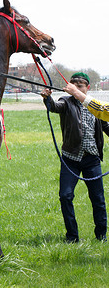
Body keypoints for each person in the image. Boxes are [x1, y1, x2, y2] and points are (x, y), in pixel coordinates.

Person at [41, 72, 109, 243]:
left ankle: (101, 236)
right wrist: (47, 99)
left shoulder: (95, 107)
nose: (76, 89)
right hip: (70, 159)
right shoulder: (66, 102)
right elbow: (54, 107)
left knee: (98, 199)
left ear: (87, 88)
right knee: (65, 196)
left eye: (80, 87)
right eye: (74, 86)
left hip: (91, 159)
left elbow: (106, 125)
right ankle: (72, 237)